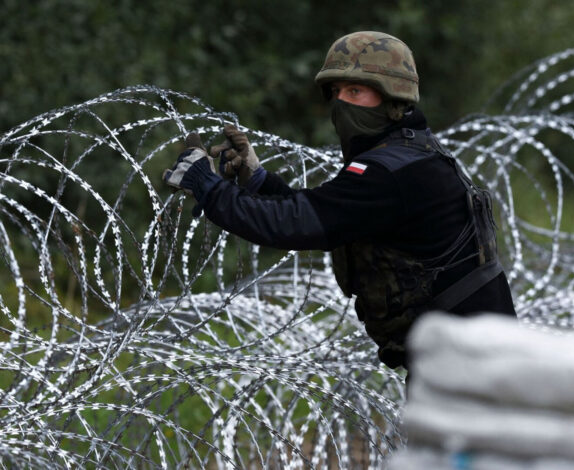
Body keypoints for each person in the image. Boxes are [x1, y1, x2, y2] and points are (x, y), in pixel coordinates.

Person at [163, 31, 516, 372]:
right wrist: (257, 179)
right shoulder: (412, 154)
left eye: (356, 90)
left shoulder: (391, 173)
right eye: (336, 92)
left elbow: (295, 224)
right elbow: (328, 214)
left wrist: (205, 183)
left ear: (393, 96)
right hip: (471, 360)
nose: (341, 103)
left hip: (470, 372)